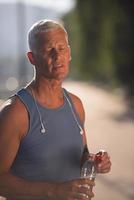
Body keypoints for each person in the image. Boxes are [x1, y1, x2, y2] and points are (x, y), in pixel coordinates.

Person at [0, 19, 111, 200]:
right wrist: (54, 191)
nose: (57, 57)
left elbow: (81, 156)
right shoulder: (15, 113)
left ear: (69, 53)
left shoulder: (75, 104)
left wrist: (94, 161)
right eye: (48, 50)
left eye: (62, 49)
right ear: (32, 58)